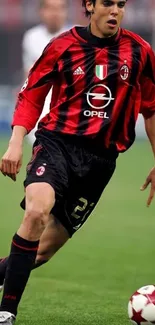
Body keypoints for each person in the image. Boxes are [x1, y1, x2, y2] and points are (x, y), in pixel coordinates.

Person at [0, 0, 155, 323]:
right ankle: (7, 312)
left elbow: (151, 109)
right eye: (108, 4)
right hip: (57, 143)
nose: (115, 11)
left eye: (121, 5)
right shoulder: (63, 46)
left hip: (101, 161)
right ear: (89, 6)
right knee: (36, 211)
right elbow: (31, 95)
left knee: (42, 252)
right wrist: (15, 143)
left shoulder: (139, 52)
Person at [23, 0, 69, 144]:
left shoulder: (77, 36)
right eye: (50, 9)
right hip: (42, 103)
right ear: (41, 12)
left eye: (60, 9)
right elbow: (29, 75)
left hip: (68, 103)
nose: (55, 14)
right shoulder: (31, 37)